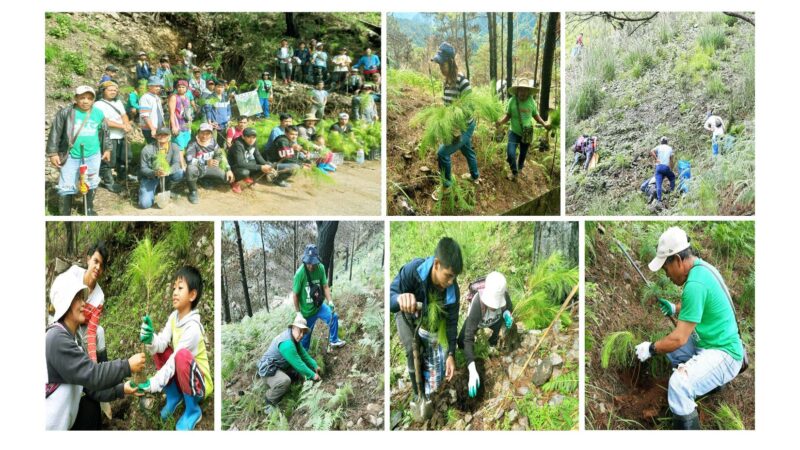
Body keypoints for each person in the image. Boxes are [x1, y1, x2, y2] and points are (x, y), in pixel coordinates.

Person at [637, 227, 746, 430]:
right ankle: (703, 385)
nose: (666, 274)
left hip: (726, 353)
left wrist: (650, 348)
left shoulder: (695, 284)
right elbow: (697, 307)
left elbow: (678, 338)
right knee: (673, 354)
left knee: (679, 383)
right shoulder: (702, 269)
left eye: (665, 268)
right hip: (710, 342)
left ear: (677, 260)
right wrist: (674, 308)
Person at [46, 270, 145, 430]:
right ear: (66, 302)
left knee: (91, 407)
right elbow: (93, 374)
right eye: (78, 298)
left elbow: (90, 388)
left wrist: (122, 389)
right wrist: (127, 365)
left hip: (66, 424)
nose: (84, 303)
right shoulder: (56, 339)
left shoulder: (73, 339)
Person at [136, 266, 214, 431]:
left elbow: (174, 361)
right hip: (183, 376)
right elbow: (162, 343)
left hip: (199, 385)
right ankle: (174, 396)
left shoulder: (193, 327)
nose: (174, 292)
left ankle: (193, 410)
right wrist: (150, 338)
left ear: (192, 295)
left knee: (181, 356)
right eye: (174, 288)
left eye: (180, 288)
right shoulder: (174, 317)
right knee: (160, 349)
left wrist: (153, 383)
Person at [390, 237, 461, 399]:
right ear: (437, 264)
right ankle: (418, 393)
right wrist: (399, 299)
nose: (451, 282)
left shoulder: (452, 291)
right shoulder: (414, 271)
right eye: (448, 275)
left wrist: (451, 353)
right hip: (406, 312)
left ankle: (430, 387)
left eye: (454, 277)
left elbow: (451, 323)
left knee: (433, 353)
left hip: (428, 321)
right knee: (412, 348)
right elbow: (390, 296)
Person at [54, 243, 111, 429]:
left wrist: (94, 364)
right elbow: (58, 294)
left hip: (84, 325)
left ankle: (102, 380)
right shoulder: (73, 274)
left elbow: (92, 329)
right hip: (67, 318)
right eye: (95, 261)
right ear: (88, 259)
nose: (97, 267)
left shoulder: (99, 296)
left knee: (99, 334)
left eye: (101, 265)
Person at [46, 85, 110, 216]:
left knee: (91, 181)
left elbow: (105, 133)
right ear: (76, 98)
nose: (85, 101)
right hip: (71, 155)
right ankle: (65, 213)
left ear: (93, 100)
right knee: (66, 184)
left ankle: (88, 208)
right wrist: (52, 153)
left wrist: (107, 149)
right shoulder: (65, 113)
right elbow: (55, 133)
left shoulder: (98, 113)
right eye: (82, 98)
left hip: (93, 154)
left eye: (89, 98)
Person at [431, 42, 479, 200]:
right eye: (439, 64)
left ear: (451, 63)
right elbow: (448, 104)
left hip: (464, 126)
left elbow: (470, 107)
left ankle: (446, 187)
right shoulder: (446, 81)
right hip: (453, 126)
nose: (440, 68)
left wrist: (457, 127)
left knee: (442, 153)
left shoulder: (462, 82)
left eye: (442, 64)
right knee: (467, 150)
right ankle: (475, 176)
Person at [457, 272, 514, 398]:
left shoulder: (504, 296)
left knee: (496, 331)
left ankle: (491, 344)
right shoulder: (478, 304)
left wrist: (507, 313)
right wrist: (471, 368)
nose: (494, 306)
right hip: (478, 321)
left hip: (495, 321)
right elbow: (468, 338)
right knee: (461, 341)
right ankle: (467, 356)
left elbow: (509, 307)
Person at [257, 316, 321, 415]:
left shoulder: (293, 337)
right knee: (285, 381)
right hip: (268, 370)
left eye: (304, 332)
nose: (301, 335)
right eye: (300, 331)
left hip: (279, 366)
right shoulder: (287, 344)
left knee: (297, 373)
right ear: (293, 328)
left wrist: (315, 365)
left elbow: (303, 354)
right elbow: (298, 363)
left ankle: (288, 384)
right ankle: (269, 400)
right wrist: (313, 375)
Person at [495, 75, 551, 181]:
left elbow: (536, 115)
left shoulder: (531, 102)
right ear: (517, 90)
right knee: (510, 153)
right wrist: (500, 122)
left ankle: (519, 169)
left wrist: (544, 124)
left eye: (525, 90)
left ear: (528, 91)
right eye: (521, 89)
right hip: (514, 132)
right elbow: (508, 116)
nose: (523, 92)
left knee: (523, 153)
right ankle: (514, 172)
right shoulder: (512, 101)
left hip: (527, 132)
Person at [292, 244, 346, 350]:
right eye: (308, 263)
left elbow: (325, 286)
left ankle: (333, 340)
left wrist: (330, 301)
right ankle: (304, 357)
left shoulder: (320, 268)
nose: (311, 266)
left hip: (319, 306)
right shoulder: (300, 274)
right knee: (305, 338)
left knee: (333, 317)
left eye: (313, 263)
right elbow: (295, 295)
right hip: (306, 313)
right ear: (305, 260)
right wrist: (298, 313)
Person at [95, 81, 131, 193]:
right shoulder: (98, 105)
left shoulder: (118, 102)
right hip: (108, 136)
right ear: (103, 91)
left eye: (115, 90)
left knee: (125, 157)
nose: (113, 92)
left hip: (121, 135)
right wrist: (121, 125)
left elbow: (124, 115)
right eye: (110, 90)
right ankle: (109, 182)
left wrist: (127, 124)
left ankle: (123, 177)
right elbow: (103, 121)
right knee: (108, 161)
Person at [185, 123, 234, 203]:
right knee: (190, 169)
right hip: (198, 168)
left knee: (227, 179)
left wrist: (228, 169)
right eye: (202, 133)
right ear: (198, 133)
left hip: (210, 168)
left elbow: (220, 154)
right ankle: (193, 191)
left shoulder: (213, 142)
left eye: (207, 134)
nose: (204, 136)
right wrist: (205, 162)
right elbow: (189, 159)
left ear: (211, 134)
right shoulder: (192, 143)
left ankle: (204, 179)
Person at [138, 127, 185, 209]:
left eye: (165, 135)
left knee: (180, 172)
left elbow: (176, 164)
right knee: (144, 204)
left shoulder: (174, 147)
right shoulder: (147, 149)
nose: (162, 137)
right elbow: (143, 168)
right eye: (160, 135)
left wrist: (168, 171)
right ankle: (150, 189)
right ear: (156, 136)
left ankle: (166, 188)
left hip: (166, 175)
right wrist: (155, 173)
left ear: (169, 136)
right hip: (150, 177)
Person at [228, 127, 275, 193]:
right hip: (234, 166)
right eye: (249, 137)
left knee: (265, 164)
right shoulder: (238, 145)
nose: (252, 139)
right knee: (245, 172)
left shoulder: (253, 142)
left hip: (245, 161)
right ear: (243, 137)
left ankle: (247, 177)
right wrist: (261, 167)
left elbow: (257, 155)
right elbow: (240, 163)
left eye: (254, 137)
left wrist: (266, 164)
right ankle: (234, 182)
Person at [202, 79, 232, 148]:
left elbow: (228, 109)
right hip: (214, 124)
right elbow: (208, 110)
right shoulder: (211, 97)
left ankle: (221, 154)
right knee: (212, 141)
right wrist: (210, 122)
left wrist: (229, 119)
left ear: (224, 88)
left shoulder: (226, 98)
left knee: (221, 142)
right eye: (218, 87)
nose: (220, 89)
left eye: (222, 87)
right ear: (215, 87)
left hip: (224, 123)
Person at [650, 136, 676, 208]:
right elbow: (671, 160)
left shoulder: (659, 147)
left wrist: (656, 159)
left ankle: (659, 200)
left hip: (658, 167)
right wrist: (671, 168)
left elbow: (651, 151)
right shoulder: (669, 148)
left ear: (661, 142)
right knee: (672, 177)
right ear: (667, 142)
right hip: (666, 167)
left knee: (658, 184)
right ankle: (671, 191)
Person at [139, 76, 166, 144]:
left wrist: (163, 124)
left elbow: (160, 113)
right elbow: (145, 115)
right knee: (153, 148)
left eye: (159, 86)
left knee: (159, 146)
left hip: (158, 127)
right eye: (156, 86)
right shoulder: (145, 98)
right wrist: (152, 129)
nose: (158, 88)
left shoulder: (157, 97)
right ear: (149, 86)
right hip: (149, 128)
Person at [169, 79, 193, 153]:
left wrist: (190, 123)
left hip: (186, 125)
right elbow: (172, 113)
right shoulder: (174, 97)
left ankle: (183, 160)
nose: (181, 88)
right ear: (176, 88)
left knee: (186, 144)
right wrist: (173, 126)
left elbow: (188, 111)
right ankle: (181, 163)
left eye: (183, 87)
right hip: (177, 124)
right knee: (179, 146)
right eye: (179, 87)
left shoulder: (187, 98)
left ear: (186, 88)